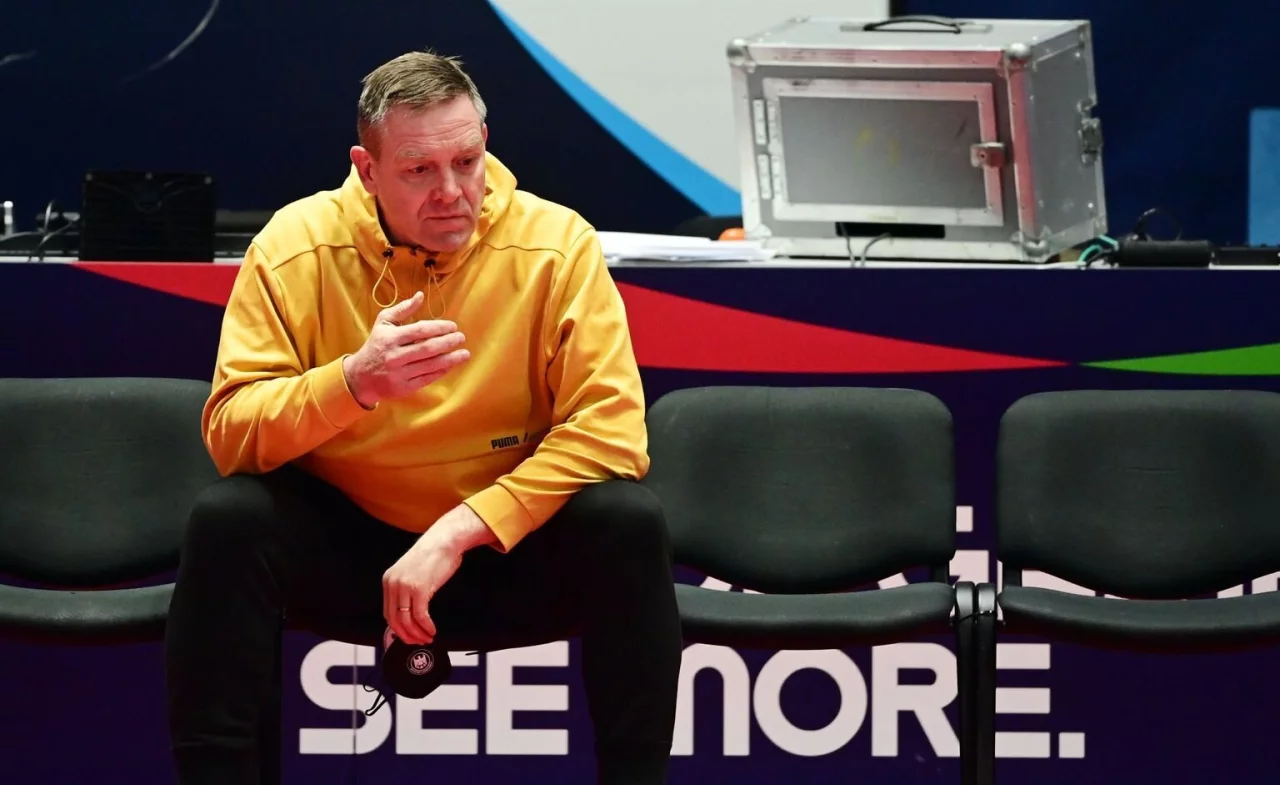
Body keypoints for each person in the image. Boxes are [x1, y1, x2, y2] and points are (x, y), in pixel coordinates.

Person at [164, 50, 683, 785]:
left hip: (503, 548)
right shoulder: (293, 246)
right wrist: (352, 383)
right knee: (228, 520)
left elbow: (613, 432)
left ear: (486, 144)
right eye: (418, 170)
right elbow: (232, 435)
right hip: (349, 547)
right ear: (367, 170)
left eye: (467, 161)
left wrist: (460, 530)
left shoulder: (557, 245)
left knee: (629, 521)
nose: (451, 191)